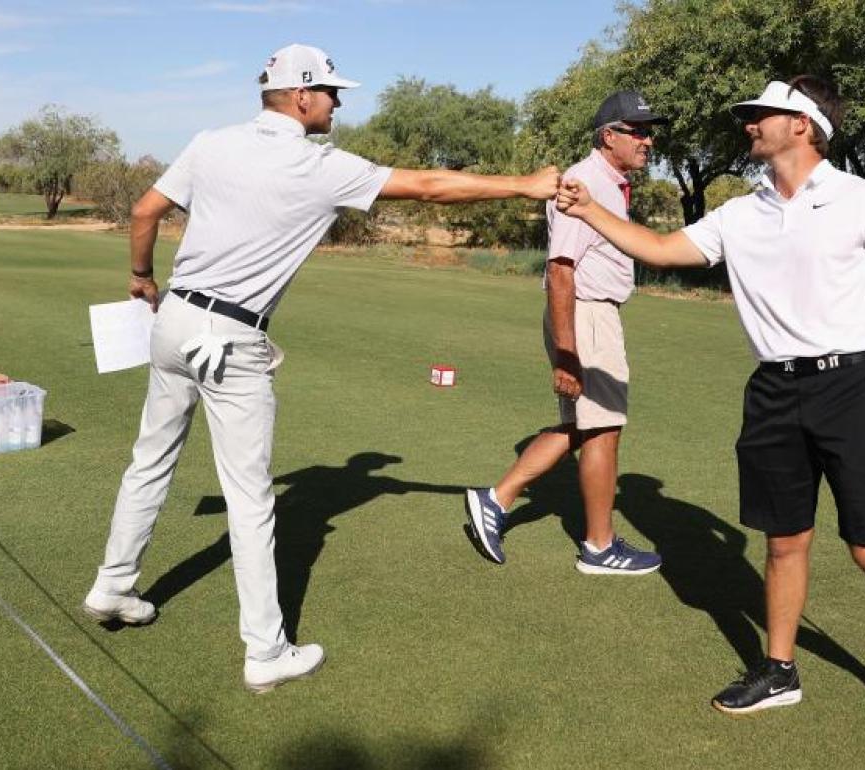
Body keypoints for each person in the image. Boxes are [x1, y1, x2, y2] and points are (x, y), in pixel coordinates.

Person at [81, 43, 559, 694]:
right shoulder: (319, 166)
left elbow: (144, 213)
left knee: (150, 459)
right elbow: (429, 187)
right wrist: (524, 186)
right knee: (252, 502)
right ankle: (265, 651)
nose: (338, 102)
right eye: (332, 92)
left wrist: (141, 276)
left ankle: (113, 584)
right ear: (301, 95)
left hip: (174, 321)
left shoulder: (210, 142)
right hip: (229, 339)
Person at [553, 76, 865, 751]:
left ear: (802, 125)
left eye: (761, 116)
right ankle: (779, 670)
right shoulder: (740, 214)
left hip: (852, 387)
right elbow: (658, 251)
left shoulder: (863, 197)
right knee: (783, 541)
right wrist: (588, 210)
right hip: (773, 391)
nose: (749, 126)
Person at [464, 91, 665, 576]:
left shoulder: (608, 181)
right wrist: (568, 353)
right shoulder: (586, 181)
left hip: (592, 314)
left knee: (583, 426)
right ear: (608, 135)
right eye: (637, 131)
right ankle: (599, 547)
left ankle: (495, 500)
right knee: (602, 427)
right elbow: (560, 270)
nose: (648, 140)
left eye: (649, 131)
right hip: (585, 314)